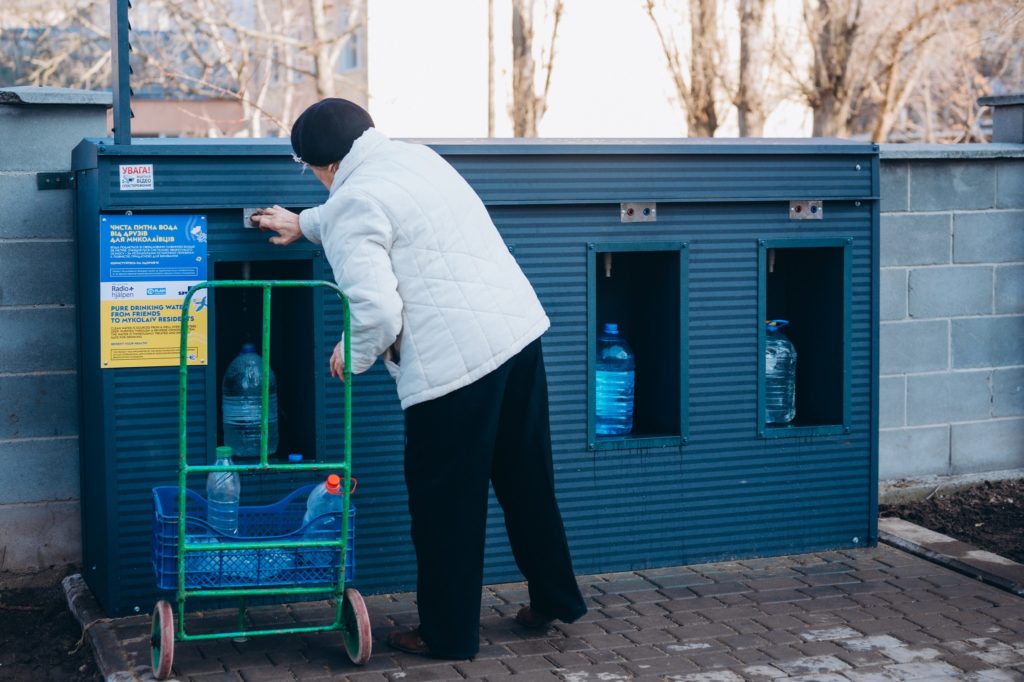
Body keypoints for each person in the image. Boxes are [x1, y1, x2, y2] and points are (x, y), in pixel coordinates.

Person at [251, 98, 587, 659]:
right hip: (516, 337)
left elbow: (378, 312)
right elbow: (366, 216)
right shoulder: (417, 159)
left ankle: (447, 634)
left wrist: (348, 354)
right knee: (526, 480)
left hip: (454, 370)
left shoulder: (352, 199)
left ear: (323, 167)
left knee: (445, 508)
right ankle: (555, 597)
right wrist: (305, 223)